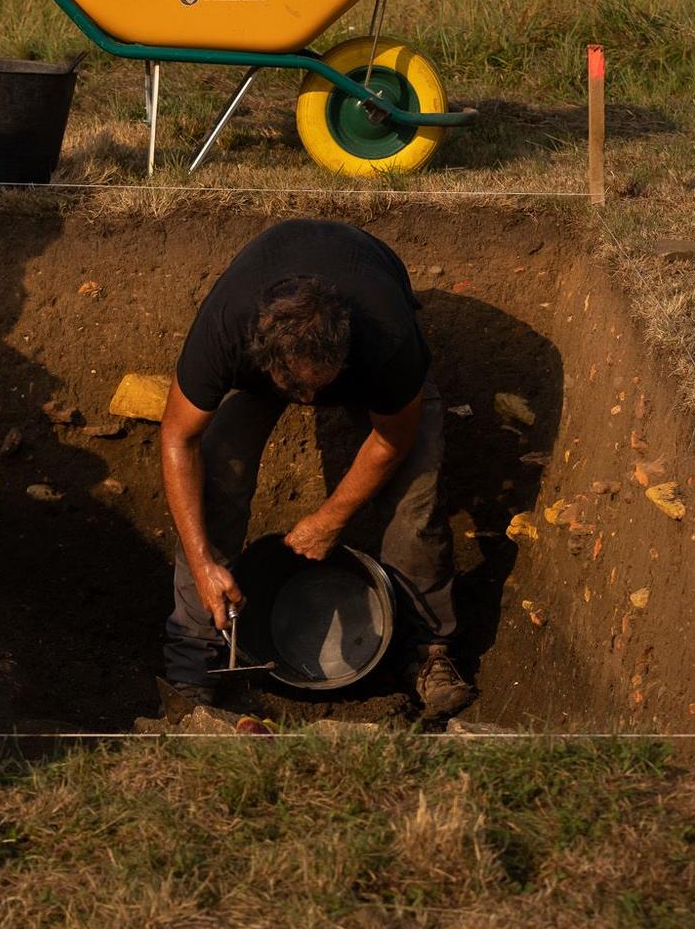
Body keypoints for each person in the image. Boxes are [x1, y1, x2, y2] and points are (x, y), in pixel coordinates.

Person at [158, 218, 474, 719]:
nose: (309, 403)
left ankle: (428, 651)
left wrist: (331, 519)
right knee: (218, 478)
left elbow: (393, 438)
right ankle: (194, 657)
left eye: (320, 387)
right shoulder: (227, 328)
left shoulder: (386, 335)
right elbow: (178, 435)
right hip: (265, 346)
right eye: (298, 390)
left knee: (415, 500)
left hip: (367, 333)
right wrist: (202, 564)